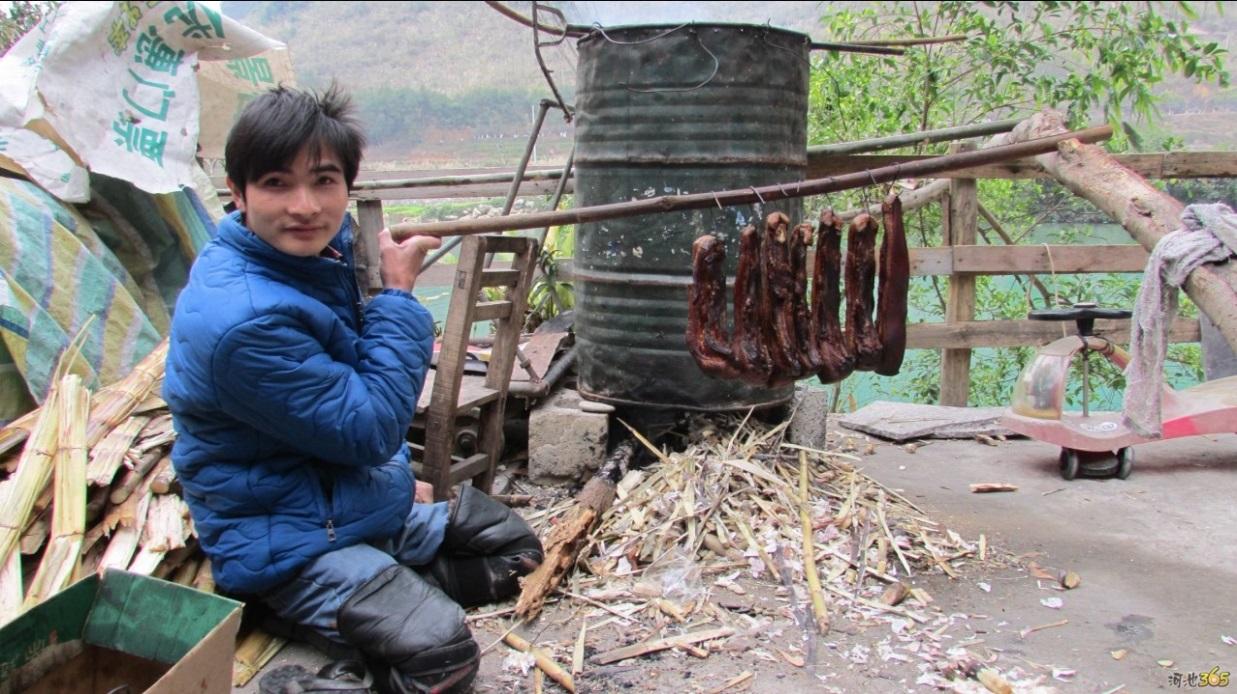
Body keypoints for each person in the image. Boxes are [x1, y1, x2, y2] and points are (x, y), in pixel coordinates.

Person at [164, 85, 542, 694]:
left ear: (349, 185)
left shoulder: (306, 256)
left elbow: (349, 397)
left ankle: (376, 603)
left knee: (518, 553)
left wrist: (394, 480)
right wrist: (398, 298)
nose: (306, 206)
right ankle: (302, 663)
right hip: (289, 539)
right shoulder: (243, 320)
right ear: (236, 193)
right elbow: (368, 429)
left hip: (346, 502)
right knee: (443, 663)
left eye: (324, 181)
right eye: (276, 184)